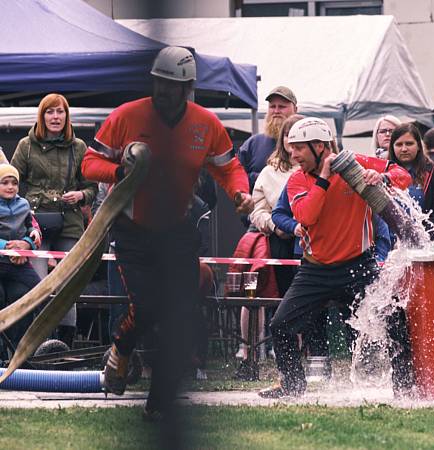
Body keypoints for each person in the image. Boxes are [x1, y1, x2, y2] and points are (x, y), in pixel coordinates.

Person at [82, 47, 253, 424]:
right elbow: (90, 162)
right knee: (146, 307)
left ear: (188, 87)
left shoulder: (205, 124)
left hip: (177, 232)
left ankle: (158, 404)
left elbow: (229, 168)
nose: (163, 92)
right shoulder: (127, 116)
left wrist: (240, 194)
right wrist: (119, 173)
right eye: (158, 83)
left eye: (171, 86)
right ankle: (122, 348)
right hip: (132, 229)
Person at [259, 117, 414, 398]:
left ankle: (404, 388)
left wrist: (383, 177)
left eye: (298, 149)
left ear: (319, 146)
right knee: (280, 324)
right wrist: (325, 179)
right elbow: (306, 216)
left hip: (359, 266)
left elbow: (405, 176)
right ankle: (292, 386)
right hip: (315, 271)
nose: (292, 155)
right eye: (291, 148)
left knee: (394, 318)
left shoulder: (354, 163)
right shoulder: (296, 180)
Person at [11, 93, 98, 348]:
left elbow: (92, 187)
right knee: (37, 286)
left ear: (67, 116)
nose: (55, 117)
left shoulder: (79, 147)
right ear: (42, 115)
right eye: (50, 112)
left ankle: (65, 344)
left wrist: (81, 194)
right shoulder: (26, 145)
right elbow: (11, 183)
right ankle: (36, 344)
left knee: (67, 286)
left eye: (60, 112)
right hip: (35, 225)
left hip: (69, 224)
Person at [236, 114, 304, 362]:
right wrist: (276, 226)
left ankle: (305, 355)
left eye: (299, 134)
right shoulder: (269, 171)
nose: (293, 140)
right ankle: (262, 353)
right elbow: (257, 210)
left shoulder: (320, 169)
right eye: (288, 134)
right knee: (275, 298)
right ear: (283, 140)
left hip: (312, 243)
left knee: (302, 302)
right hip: (278, 242)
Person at [0, 164, 42, 352]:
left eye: (14, 183)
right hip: (3, 258)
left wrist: (27, 243)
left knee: (40, 293)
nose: (10, 187)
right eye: (4, 183)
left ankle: (25, 349)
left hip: (19, 263)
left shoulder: (24, 205)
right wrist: (8, 248)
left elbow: (33, 228)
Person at [238, 86, 298, 192]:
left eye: (282, 106)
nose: (276, 111)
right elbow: (236, 178)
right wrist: (260, 177)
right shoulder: (252, 144)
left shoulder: (305, 143)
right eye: (272, 106)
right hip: (258, 207)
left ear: (295, 110)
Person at [387, 123, 434, 223]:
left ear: (419, 146)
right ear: (392, 148)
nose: (404, 149)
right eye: (399, 144)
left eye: (409, 144)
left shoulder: (433, 174)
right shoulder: (383, 174)